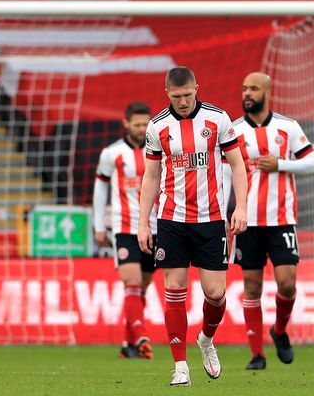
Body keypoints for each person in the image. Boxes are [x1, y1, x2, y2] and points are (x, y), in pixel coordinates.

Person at [137, 66, 248, 386]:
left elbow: (238, 166)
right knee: (174, 290)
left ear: (197, 88)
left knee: (215, 293)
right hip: (171, 220)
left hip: (212, 219)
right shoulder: (158, 126)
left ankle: (206, 340)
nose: (183, 101)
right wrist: (143, 223)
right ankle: (180, 365)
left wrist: (240, 207)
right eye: (177, 96)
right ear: (167, 93)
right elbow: (151, 176)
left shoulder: (218, 119)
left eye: (188, 95)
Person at [224, 72, 314, 370]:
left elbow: (312, 163)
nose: (247, 93)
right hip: (247, 221)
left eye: (253, 88)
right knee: (251, 287)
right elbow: (226, 175)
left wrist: (282, 164)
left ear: (267, 91)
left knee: (287, 284)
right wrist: (224, 216)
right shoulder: (234, 130)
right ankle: (257, 354)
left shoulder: (287, 127)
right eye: (244, 88)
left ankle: (279, 331)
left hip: (281, 219)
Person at [93, 101, 157, 360]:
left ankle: (128, 344)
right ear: (126, 123)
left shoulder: (159, 151)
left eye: (146, 124)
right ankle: (141, 336)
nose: (142, 129)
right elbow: (100, 189)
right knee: (131, 282)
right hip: (124, 227)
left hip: (155, 227)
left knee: (141, 288)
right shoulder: (112, 153)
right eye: (138, 124)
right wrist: (99, 226)